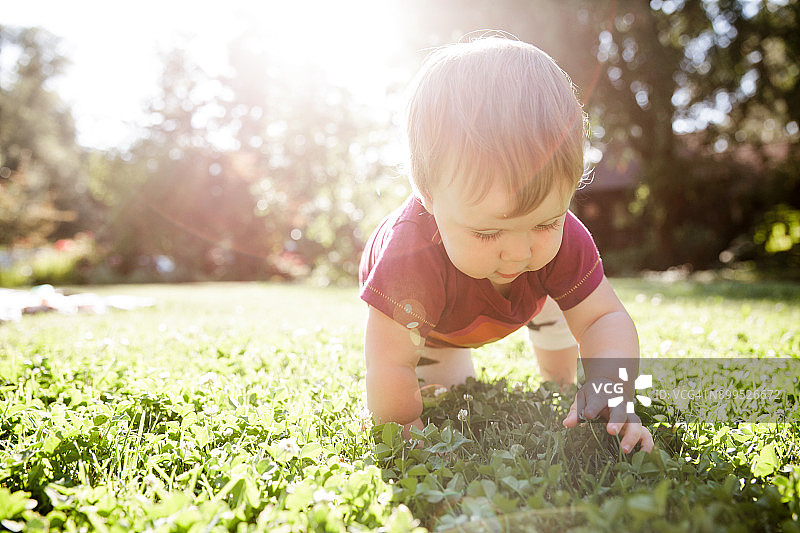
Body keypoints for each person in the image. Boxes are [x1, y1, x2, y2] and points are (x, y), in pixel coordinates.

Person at [359, 36, 654, 454]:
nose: (519, 252)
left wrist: (613, 387)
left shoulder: (562, 241)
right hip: (430, 323)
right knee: (444, 388)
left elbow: (601, 317)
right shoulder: (409, 258)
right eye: (486, 233)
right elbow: (389, 363)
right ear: (427, 193)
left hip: (532, 294)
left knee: (561, 296)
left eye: (545, 222)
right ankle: (446, 363)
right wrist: (404, 428)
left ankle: (559, 380)